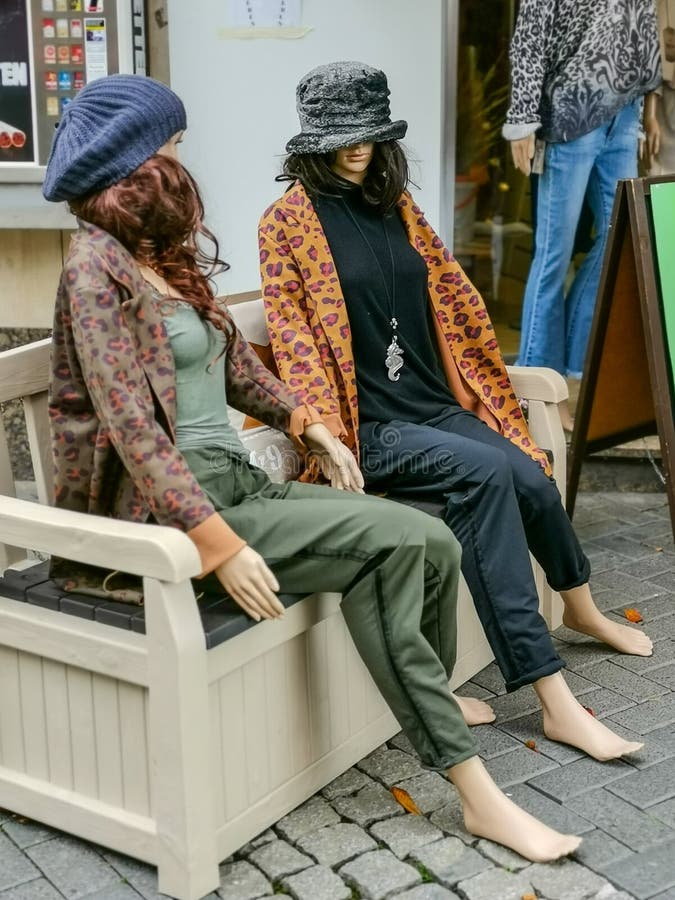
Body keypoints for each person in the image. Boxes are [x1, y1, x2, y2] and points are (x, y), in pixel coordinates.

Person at [41, 72, 583, 864]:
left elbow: (232, 367)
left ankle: (429, 704)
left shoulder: (154, 255)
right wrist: (217, 544)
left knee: (426, 544)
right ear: (134, 160)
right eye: (174, 145)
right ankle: (476, 795)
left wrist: (306, 422)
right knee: (396, 547)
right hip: (169, 518)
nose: (185, 162)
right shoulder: (95, 271)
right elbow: (134, 434)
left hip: (237, 484)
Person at [259, 60, 650, 764]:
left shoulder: (395, 205)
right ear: (313, 141)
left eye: (371, 135)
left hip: (432, 405)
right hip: (369, 429)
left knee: (529, 474)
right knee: (483, 476)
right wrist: (318, 432)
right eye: (344, 136)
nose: (358, 149)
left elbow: (455, 300)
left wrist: (487, 387)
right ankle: (551, 697)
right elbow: (292, 339)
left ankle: (580, 607)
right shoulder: (286, 223)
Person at [503, 0, 660, 410]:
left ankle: (574, 366)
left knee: (615, 241)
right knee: (554, 251)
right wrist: (521, 120)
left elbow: (643, 27)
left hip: (624, 115)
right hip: (571, 113)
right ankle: (535, 378)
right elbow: (529, 41)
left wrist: (649, 111)